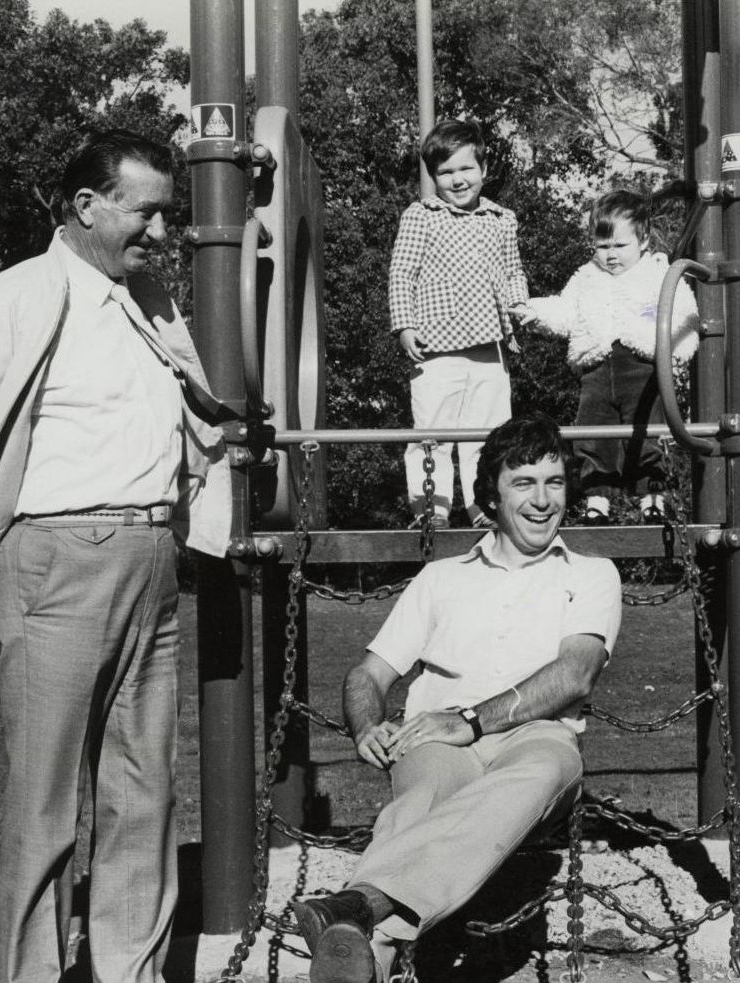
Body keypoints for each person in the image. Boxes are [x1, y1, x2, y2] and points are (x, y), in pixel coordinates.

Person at [0, 129, 233, 983]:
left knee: (143, 791)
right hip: (53, 559)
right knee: (45, 801)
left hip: (151, 557)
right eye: (144, 212)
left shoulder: (149, 302)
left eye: (166, 213)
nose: (160, 231)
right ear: (86, 206)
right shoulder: (7, 300)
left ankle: (131, 972)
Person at [292, 414, 622, 983]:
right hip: (437, 736)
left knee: (540, 773)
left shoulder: (593, 574)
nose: (543, 500)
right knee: (421, 797)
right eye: (524, 483)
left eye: (554, 482)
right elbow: (367, 674)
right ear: (491, 496)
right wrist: (367, 726)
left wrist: (470, 719)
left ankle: (359, 906)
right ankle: (365, 949)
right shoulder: (441, 578)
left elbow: (574, 675)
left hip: (536, 735)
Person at [513, 189, 699, 524]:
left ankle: (653, 500)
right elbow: (565, 310)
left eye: (620, 245)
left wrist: (675, 355)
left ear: (643, 241)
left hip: (644, 368)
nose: (611, 255)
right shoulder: (587, 277)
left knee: (649, 433)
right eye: (602, 246)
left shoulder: (659, 274)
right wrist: (535, 312)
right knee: (593, 435)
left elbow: (685, 315)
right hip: (596, 369)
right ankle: (597, 501)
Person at [389, 118, 529, 529]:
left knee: (488, 434)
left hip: (489, 345)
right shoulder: (422, 215)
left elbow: (514, 272)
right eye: (446, 172)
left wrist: (520, 305)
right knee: (431, 433)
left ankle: (482, 505)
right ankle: (431, 509)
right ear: (433, 177)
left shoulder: (501, 219)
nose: (458, 179)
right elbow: (402, 273)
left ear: (484, 169)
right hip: (437, 347)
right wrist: (404, 325)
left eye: (466, 168)